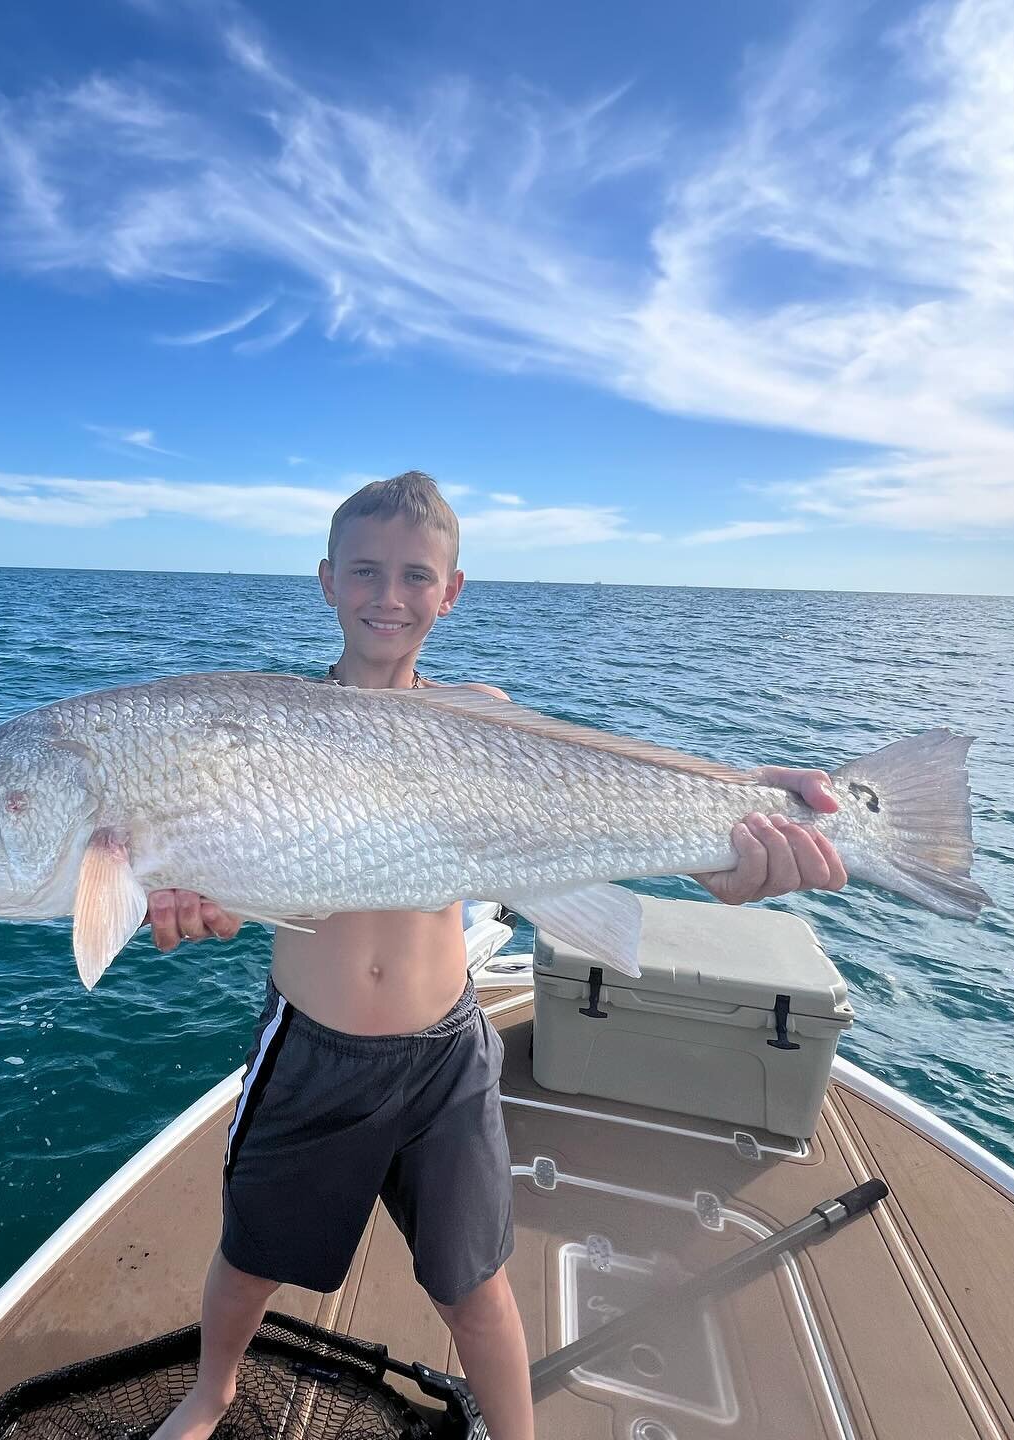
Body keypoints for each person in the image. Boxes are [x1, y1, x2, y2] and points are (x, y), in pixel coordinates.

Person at [146, 472, 848, 1440]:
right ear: (324, 581)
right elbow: (227, 888)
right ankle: (211, 1392)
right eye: (364, 571)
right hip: (313, 1051)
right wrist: (201, 906)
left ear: (452, 591)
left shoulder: (482, 716)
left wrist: (739, 814)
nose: (387, 595)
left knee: (476, 1287)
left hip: (445, 1052)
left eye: (413, 575)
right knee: (251, 1259)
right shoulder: (267, 732)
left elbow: (604, 793)